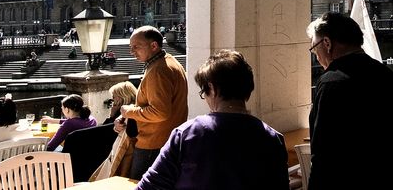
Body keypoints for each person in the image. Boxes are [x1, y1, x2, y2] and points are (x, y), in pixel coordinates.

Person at [135, 50, 288, 190]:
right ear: (247, 92)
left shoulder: (185, 135)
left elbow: (149, 186)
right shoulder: (273, 139)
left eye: (204, 92)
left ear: (212, 89)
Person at [307, 12, 393, 190]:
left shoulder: (330, 83)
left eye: (314, 48)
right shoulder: (390, 78)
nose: (316, 56)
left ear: (327, 43)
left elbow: (323, 152)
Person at [119, 26, 188, 179]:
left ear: (154, 45)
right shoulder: (170, 62)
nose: (132, 52)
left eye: (136, 47)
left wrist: (128, 111)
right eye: (131, 48)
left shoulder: (158, 70)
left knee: (141, 184)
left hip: (152, 144)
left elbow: (160, 112)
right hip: (166, 140)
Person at [89, 82, 140, 181]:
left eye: (114, 96)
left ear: (121, 97)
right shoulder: (128, 110)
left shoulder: (124, 112)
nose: (112, 99)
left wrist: (111, 116)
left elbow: (105, 130)